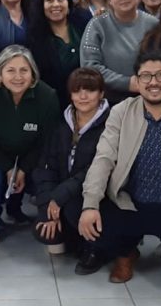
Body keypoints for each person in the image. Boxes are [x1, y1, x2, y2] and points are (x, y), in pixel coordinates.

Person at [78, 48, 161, 284]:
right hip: (128, 203)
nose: (153, 82)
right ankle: (126, 252)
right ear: (137, 81)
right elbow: (103, 158)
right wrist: (90, 204)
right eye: (146, 76)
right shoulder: (120, 112)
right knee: (92, 228)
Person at [0, 46, 59, 251]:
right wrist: (9, 168)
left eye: (24, 70)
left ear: (33, 74)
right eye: (11, 70)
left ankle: (50, 228)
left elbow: (47, 142)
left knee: (44, 174)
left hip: (34, 156)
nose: (18, 76)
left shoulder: (47, 96)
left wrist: (23, 168)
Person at [32, 68, 110, 258]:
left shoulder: (111, 124)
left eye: (90, 90)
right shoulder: (60, 123)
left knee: (75, 209)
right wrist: (47, 206)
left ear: (101, 94)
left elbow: (95, 169)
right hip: (63, 195)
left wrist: (60, 195)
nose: (83, 96)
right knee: (45, 231)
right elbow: (45, 167)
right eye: (77, 91)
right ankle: (76, 237)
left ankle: (97, 248)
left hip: (98, 196)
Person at [80, 0, 159, 104]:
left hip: (149, 100)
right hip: (108, 104)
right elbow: (89, 67)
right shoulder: (96, 25)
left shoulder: (154, 24)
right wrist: (128, 83)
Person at [27, 0, 91, 108]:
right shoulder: (34, 37)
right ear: (42, 6)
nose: (55, 4)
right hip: (55, 104)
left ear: (68, 3)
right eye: (49, 0)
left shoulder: (84, 23)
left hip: (90, 97)